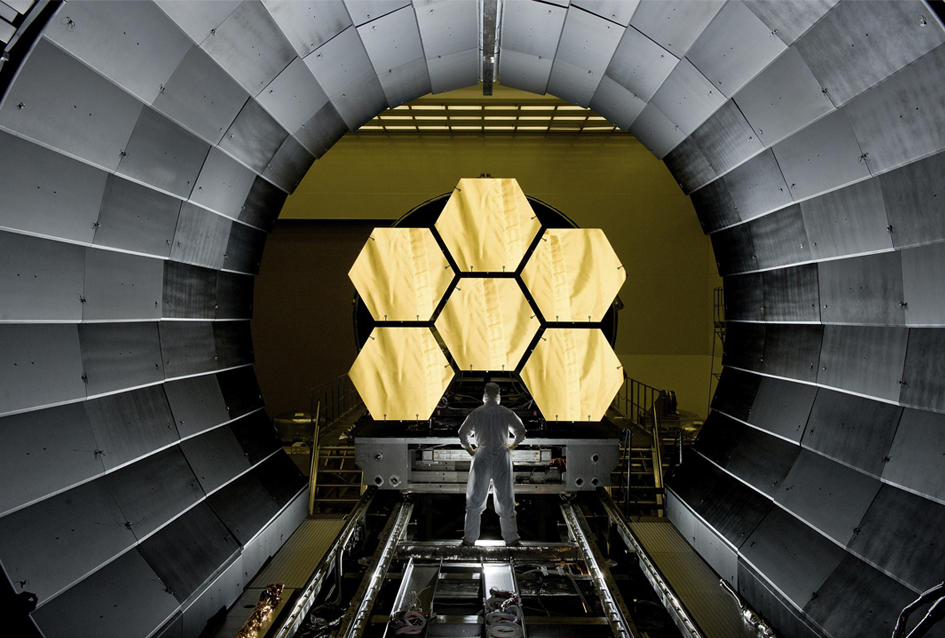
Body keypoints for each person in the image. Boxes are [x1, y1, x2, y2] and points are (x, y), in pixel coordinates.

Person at [458, 382, 526, 546]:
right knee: (505, 496)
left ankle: (469, 538)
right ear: (498, 395)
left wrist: (470, 449)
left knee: (475, 496)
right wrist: (513, 445)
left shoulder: (477, 413)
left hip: (481, 454)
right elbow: (521, 431)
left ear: (484, 395)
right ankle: (511, 538)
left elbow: (462, 433)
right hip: (502, 454)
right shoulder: (506, 412)